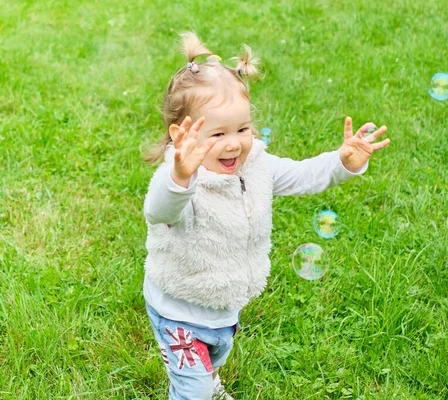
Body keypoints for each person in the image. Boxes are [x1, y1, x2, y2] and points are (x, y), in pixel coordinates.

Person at [142, 31, 391, 400]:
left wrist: (342, 162)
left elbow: (304, 175)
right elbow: (159, 210)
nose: (234, 142)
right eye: (217, 133)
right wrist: (180, 177)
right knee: (189, 391)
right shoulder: (179, 181)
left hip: (225, 306)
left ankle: (206, 376)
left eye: (242, 129)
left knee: (215, 356)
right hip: (179, 311)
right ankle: (194, 384)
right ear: (182, 138)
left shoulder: (256, 165)